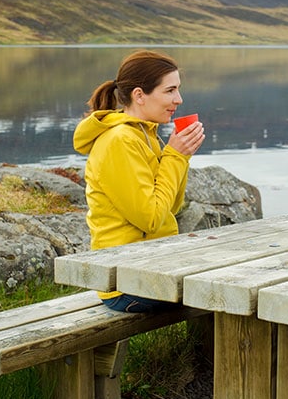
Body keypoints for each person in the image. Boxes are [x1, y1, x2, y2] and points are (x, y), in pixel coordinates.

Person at [73, 49, 205, 312]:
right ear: (139, 95)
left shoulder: (147, 136)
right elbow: (151, 219)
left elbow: (171, 208)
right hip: (125, 283)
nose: (178, 99)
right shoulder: (120, 141)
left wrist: (182, 157)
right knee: (219, 289)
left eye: (178, 90)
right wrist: (175, 156)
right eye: (170, 91)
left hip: (149, 266)